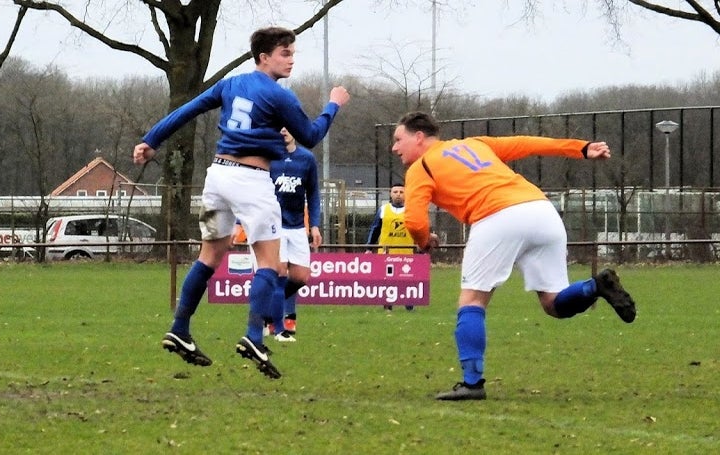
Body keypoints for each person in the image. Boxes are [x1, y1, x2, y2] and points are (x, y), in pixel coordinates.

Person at [134, 26, 349, 379]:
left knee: (209, 256)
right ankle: (253, 337)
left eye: (293, 53)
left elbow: (188, 109)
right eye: (285, 53)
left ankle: (180, 328)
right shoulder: (279, 96)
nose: (291, 60)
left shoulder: (230, 84)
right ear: (264, 57)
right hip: (251, 181)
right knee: (270, 262)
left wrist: (151, 140)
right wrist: (333, 105)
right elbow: (311, 135)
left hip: (218, 177)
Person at [392, 111, 636, 401]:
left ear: (419, 137)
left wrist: (423, 241)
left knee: (472, 301)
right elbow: (527, 143)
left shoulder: (421, 167)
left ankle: (472, 383)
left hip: (496, 216)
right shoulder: (474, 144)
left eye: (398, 139)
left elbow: (414, 221)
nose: (394, 147)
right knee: (554, 303)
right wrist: (581, 148)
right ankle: (595, 286)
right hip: (540, 210)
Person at [265, 127, 322, 342]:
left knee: (300, 277)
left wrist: (314, 225)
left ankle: (269, 309)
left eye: (287, 126)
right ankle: (279, 328)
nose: (283, 130)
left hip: (297, 226)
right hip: (274, 226)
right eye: (279, 126)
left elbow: (313, 193)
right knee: (280, 274)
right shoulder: (269, 156)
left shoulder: (306, 159)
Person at [365, 183, 415, 312]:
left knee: (407, 280)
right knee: (387, 280)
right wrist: (369, 247)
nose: (398, 194)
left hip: (406, 252)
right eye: (395, 192)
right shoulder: (383, 209)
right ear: (390, 194)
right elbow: (375, 229)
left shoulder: (411, 210)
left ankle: (409, 306)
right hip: (386, 253)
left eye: (401, 192)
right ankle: (388, 306)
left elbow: (418, 229)